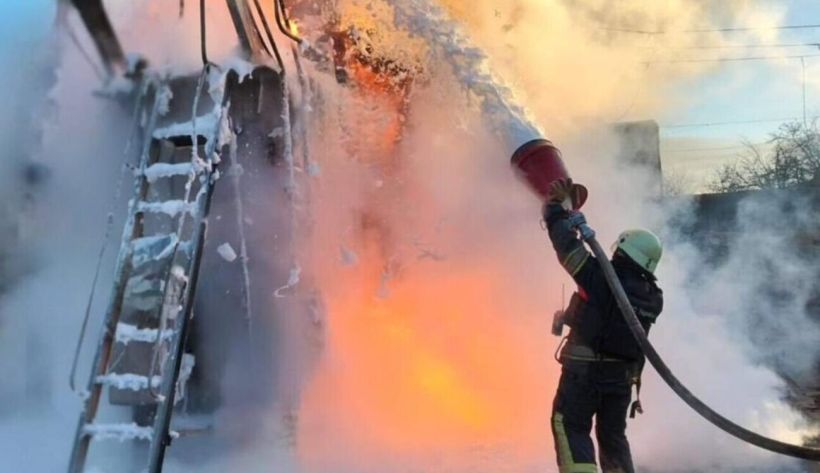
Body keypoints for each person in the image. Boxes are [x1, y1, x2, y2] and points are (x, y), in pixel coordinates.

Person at [544, 178, 664, 473]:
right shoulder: (653, 296)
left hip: (585, 376)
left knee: (570, 426)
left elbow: (567, 248)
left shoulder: (603, 278)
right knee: (612, 438)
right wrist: (571, 315)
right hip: (621, 381)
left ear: (623, 251)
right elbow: (609, 317)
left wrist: (555, 209)